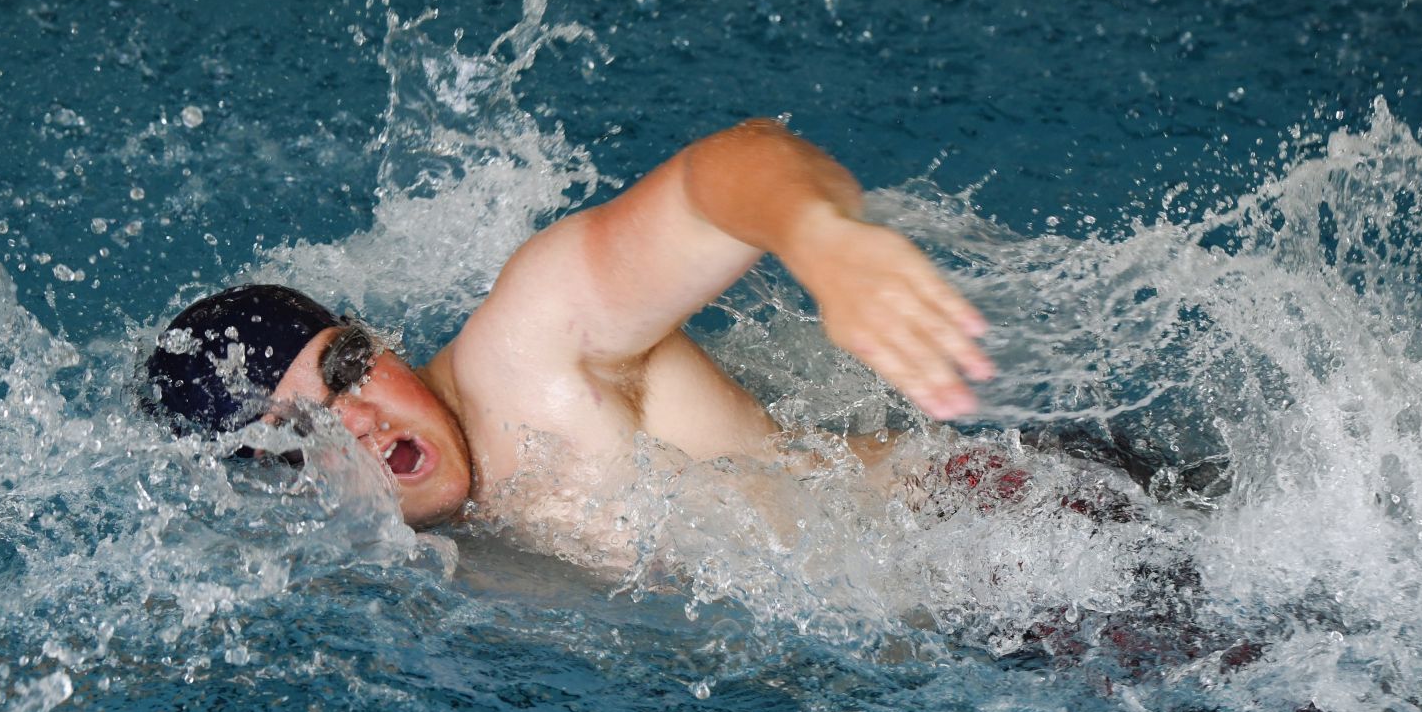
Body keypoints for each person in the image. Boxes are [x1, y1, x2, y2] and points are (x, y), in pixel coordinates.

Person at [142, 118, 995, 537]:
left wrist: (819, 240)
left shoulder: (527, 355)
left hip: (1018, 533)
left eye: (346, 369)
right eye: (301, 431)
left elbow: (723, 171)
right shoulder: (393, 557)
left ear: (380, 339)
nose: (359, 420)